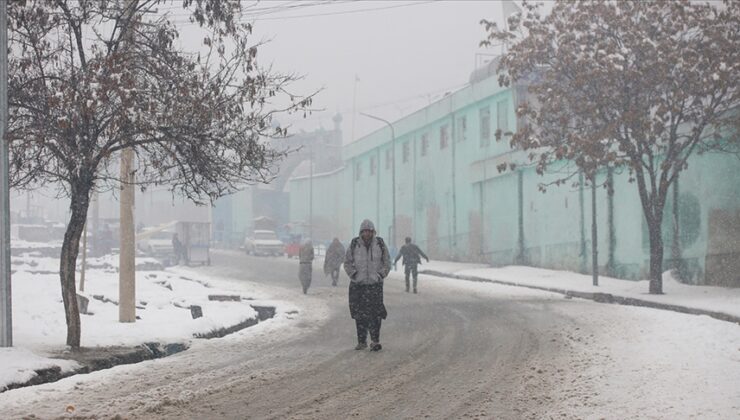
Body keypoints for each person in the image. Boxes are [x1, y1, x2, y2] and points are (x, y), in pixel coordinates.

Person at [344, 219, 391, 352]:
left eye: (369, 231)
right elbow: (347, 262)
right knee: (359, 315)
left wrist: (381, 275)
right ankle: (362, 341)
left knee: (376, 314)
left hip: (374, 285)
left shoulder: (379, 244)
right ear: (361, 232)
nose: (367, 234)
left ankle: (375, 341)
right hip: (358, 286)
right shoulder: (354, 244)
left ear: (373, 232)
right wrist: (353, 275)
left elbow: (387, 262)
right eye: (364, 231)